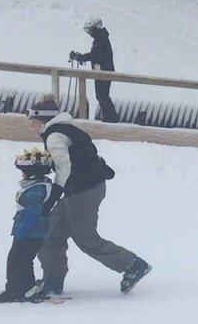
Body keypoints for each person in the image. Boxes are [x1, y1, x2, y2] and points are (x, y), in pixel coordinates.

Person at [27, 97, 149, 298]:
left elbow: (64, 166)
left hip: (83, 191)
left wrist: (54, 195)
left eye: (32, 119)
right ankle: (52, 282)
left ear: (42, 119)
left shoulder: (54, 135)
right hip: (81, 189)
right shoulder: (65, 130)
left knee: (86, 240)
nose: (31, 124)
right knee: (51, 235)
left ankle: (133, 265)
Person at [0, 147, 58, 302]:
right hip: (31, 231)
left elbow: (33, 212)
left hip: (30, 232)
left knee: (16, 260)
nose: (22, 174)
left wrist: (23, 230)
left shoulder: (36, 190)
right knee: (24, 259)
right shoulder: (38, 186)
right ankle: (26, 287)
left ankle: (14, 289)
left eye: (24, 171)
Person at [68, 18, 117, 123]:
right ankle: (110, 118)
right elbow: (95, 56)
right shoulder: (100, 38)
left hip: (104, 72)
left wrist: (80, 57)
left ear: (95, 29)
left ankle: (111, 118)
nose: (89, 33)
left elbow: (95, 55)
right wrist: (80, 57)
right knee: (101, 95)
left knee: (102, 95)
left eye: (90, 30)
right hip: (100, 71)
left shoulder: (101, 39)